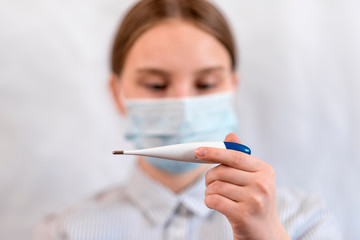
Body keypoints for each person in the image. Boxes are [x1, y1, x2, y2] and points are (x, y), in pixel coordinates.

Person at [34, 0, 341, 239]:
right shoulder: (66, 232)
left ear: (232, 88)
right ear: (117, 94)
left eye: (206, 85)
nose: (182, 104)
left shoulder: (302, 220)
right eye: (156, 85)